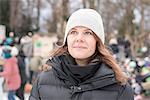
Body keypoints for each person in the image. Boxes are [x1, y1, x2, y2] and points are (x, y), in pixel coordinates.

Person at [29, 9, 134, 100]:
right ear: (67, 40)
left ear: (98, 41)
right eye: (73, 32)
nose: (79, 38)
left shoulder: (119, 87)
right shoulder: (43, 82)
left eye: (88, 33)